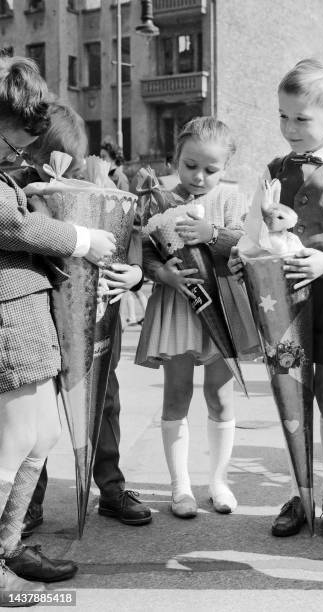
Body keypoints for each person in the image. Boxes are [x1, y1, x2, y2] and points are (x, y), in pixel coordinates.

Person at [229, 58, 323, 541]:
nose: (288, 128)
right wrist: (241, 257)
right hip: (283, 303)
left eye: (301, 119)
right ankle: (300, 488)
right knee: (291, 394)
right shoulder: (273, 170)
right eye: (282, 116)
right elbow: (253, 235)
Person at [0, 57, 115, 597]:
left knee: (40, 434)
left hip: (25, 313)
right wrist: (80, 238)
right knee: (16, 438)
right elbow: (10, 225)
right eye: (18, 137)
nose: (23, 152)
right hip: (7, 318)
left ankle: (8, 545)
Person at [12, 102, 152, 536]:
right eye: (52, 160)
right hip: (42, 322)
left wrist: (135, 273)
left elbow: (126, 240)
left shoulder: (100, 191)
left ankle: (109, 486)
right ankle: (29, 502)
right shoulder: (19, 194)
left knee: (104, 400)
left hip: (93, 321)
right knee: (38, 419)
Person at [136, 117, 247, 519]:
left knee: (220, 395)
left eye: (211, 169)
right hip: (178, 307)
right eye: (190, 165)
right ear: (176, 159)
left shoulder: (231, 200)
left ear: (226, 167)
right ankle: (180, 486)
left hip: (221, 307)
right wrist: (160, 272)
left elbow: (245, 244)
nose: (199, 176)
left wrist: (212, 233)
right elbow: (144, 246)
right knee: (177, 394)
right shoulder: (159, 197)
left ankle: (218, 481)